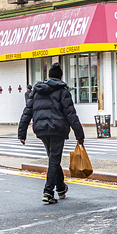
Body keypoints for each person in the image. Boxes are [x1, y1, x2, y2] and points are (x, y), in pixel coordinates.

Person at [18, 62, 85, 205]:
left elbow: (27, 111)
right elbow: (71, 114)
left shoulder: (37, 90)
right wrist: (80, 136)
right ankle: (48, 191)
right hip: (57, 129)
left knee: (53, 158)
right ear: (60, 77)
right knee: (54, 159)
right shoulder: (63, 91)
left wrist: (21, 133)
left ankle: (60, 188)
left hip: (41, 129)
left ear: (48, 76)